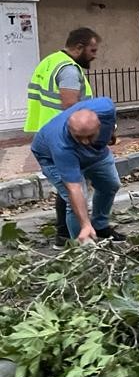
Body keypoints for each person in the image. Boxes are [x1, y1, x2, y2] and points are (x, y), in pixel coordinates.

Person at [24, 27, 101, 246]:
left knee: (66, 184)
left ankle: (64, 231)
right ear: (79, 47)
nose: (95, 55)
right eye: (92, 50)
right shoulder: (68, 70)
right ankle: (70, 237)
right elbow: (70, 107)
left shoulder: (51, 61)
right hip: (64, 135)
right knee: (73, 185)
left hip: (47, 132)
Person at [31, 97, 122, 244]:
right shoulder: (61, 146)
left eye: (89, 136)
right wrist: (85, 224)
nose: (85, 142)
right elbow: (74, 188)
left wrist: (110, 133)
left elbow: (111, 122)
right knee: (76, 200)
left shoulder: (106, 108)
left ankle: (100, 227)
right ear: (70, 128)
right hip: (50, 159)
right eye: (80, 137)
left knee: (110, 184)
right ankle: (80, 244)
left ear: (99, 125)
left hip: (96, 151)